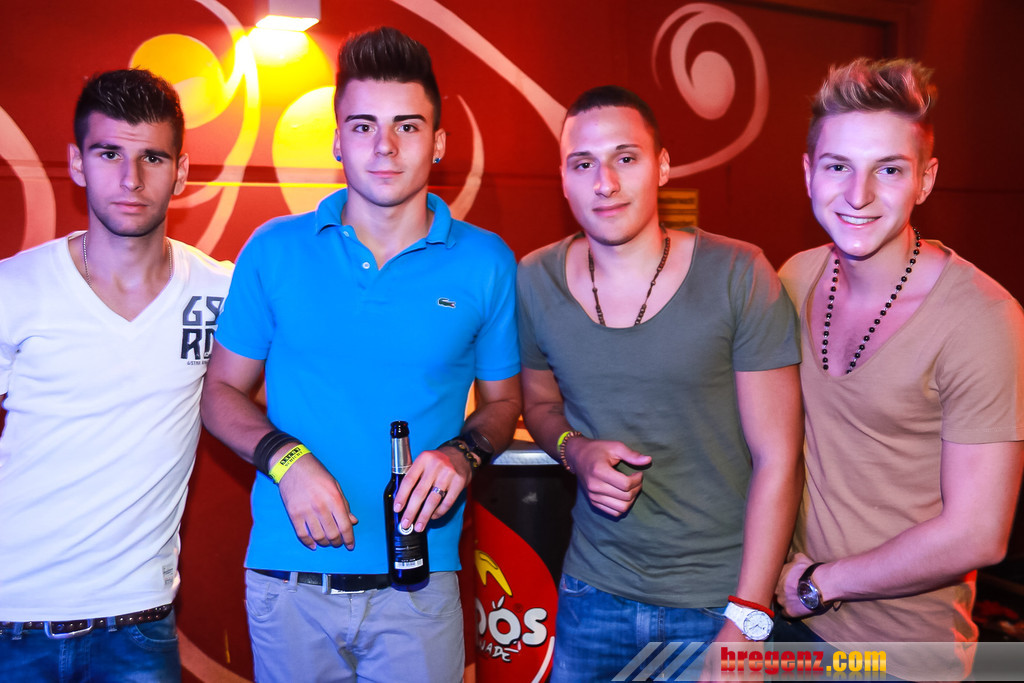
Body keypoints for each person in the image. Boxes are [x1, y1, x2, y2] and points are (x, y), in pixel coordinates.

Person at [199, 26, 520, 682]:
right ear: (338, 141)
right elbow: (220, 393)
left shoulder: (486, 260)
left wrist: (462, 454)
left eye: (408, 126)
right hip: (289, 583)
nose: (385, 146)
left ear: (439, 143)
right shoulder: (274, 248)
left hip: (419, 585)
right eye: (364, 125)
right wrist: (286, 460)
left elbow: (503, 403)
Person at [516, 85, 803, 681]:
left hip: (718, 602)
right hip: (591, 594)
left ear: (663, 167)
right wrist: (576, 451)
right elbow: (539, 404)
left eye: (626, 158)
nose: (605, 183)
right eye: (583, 164)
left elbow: (779, 456)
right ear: (563, 179)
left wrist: (749, 615)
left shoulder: (738, 273)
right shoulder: (535, 279)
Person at [774, 58, 1024, 680]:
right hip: (788, 623)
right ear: (808, 173)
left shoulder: (983, 319)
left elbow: (979, 532)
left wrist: (820, 583)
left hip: (898, 655)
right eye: (838, 166)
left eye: (889, 169)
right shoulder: (795, 276)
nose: (858, 195)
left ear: (926, 180)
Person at [0, 68, 231, 681]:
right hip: (10, 619)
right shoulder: (13, 287)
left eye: (152, 157)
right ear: (77, 163)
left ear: (181, 171)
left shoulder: (222, 293)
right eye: (109, 154)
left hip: (139, 626)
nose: (131, 179)